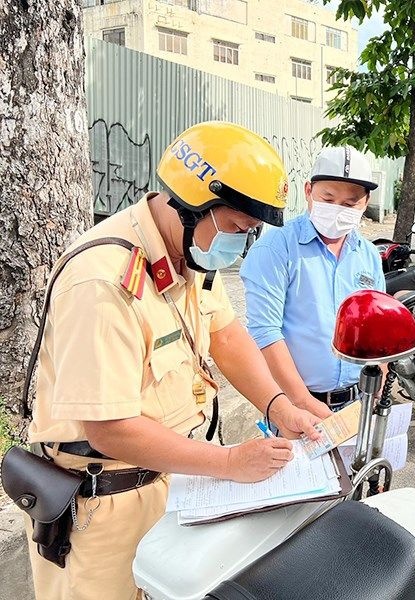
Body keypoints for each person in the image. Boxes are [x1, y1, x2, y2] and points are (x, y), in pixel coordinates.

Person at [24, 121, 323, 599]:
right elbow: (110, 428)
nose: (239, 245)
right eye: (237, 228)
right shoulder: (102, 283)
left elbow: (226, 336)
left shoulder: (191, 256)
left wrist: (277, 405)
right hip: (101, 512)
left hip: (174, 487)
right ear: (193, 205)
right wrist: (229, 462)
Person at [240, 147, 386, 417]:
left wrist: (381, 379)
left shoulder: (367, 254)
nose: (336, 210)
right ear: (308, 191)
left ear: (365, 203)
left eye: (349, 204)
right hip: (298, 406)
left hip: (360, 401)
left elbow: (376, 324)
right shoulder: (276, 248)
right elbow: (265, 332)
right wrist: (303, 402)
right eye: (328, 198)